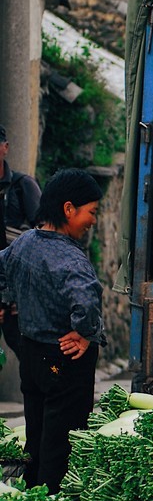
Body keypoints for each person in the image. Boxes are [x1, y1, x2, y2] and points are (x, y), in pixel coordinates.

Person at [0, 168, 105, 501]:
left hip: (31, 357)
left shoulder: (23, 244)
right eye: (90, 211)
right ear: (68, 208)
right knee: (61, 446)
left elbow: (1, 268)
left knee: (38, 441)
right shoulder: (70, 258)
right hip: (65, 361)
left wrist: (5, 302)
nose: (93, 219)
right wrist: (83, 333)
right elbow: (87, 299)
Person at [0, 124, 43, 360]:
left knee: (23, 347)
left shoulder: (22, 185)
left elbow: (45, 233)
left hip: (16, 284)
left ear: (5, 148)